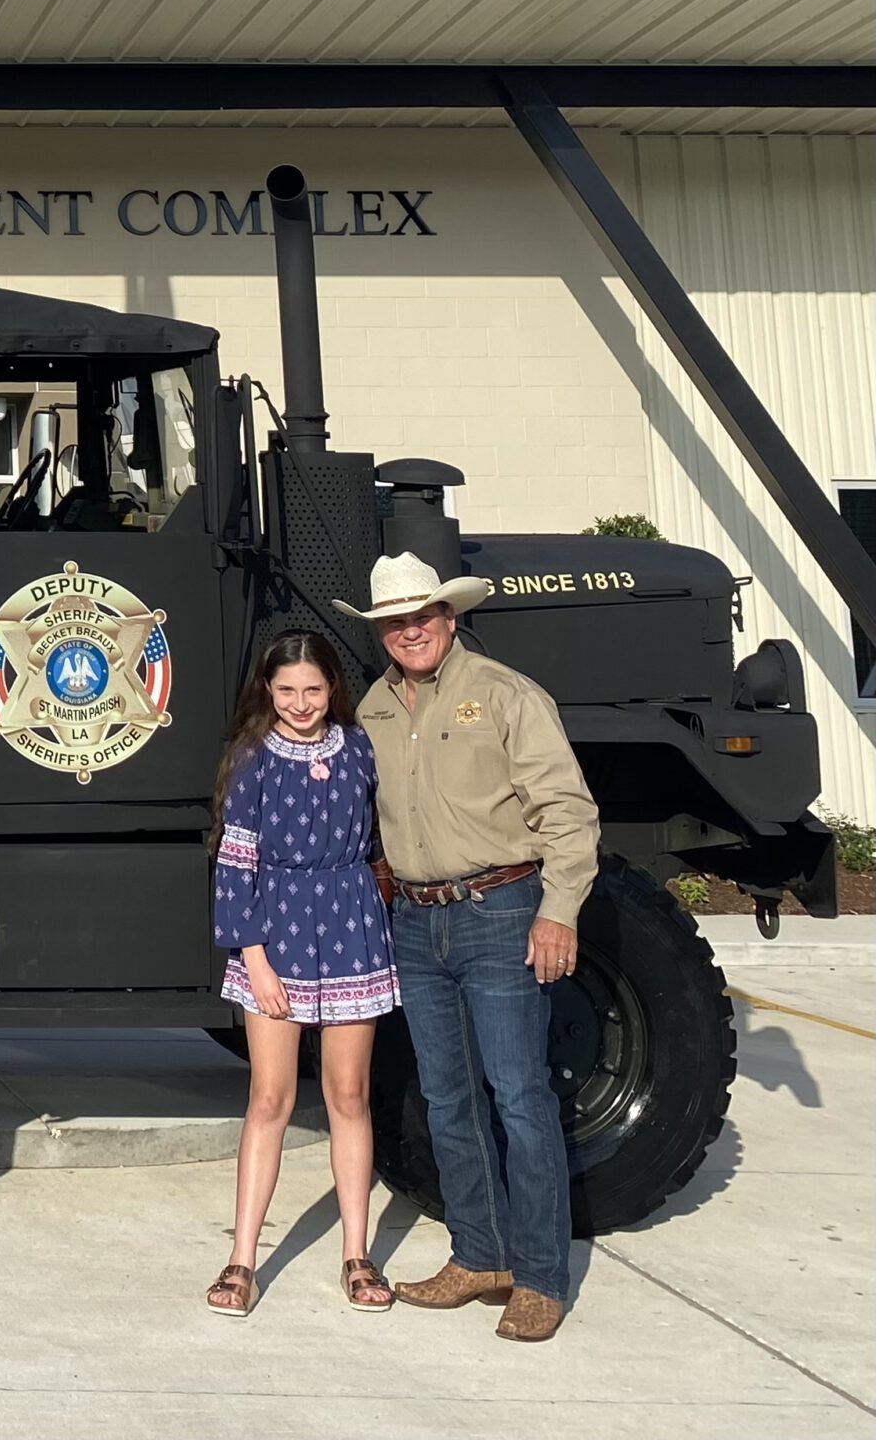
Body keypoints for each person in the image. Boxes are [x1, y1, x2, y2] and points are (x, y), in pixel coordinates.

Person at [340, 551, 601, 1344]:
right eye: (395, 620)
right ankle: (479, 1256)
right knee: (448, 1100)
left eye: (423, 615)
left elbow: (568, 810)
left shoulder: (504, 693)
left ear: (450, 618)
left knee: (520, 1097)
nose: (410, 630)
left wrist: (558, 913)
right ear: (381, 631)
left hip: (501, 909)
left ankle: (541, 1277)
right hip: (416, 924)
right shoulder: (373, 709)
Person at [203, 631, 399, 1318]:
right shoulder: (252, 758)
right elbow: (234, 865)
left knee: (348, 1094)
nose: (301, 703)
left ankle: (356, 1252)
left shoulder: (360, 748)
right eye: (287, 690)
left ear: (332, 688)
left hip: (349, 922)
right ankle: (241, 1260)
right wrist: (253, 958)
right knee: (270, 1098)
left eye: (313, 689)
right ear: (267, 691)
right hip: (277, 930)